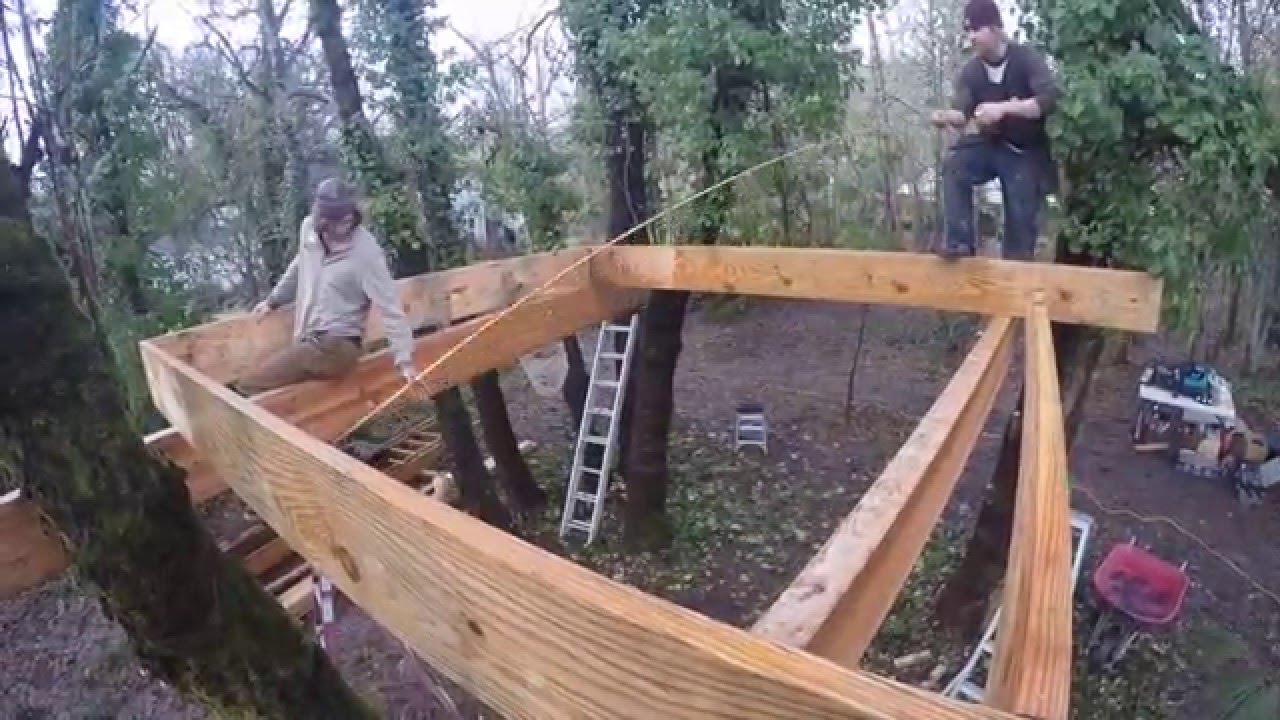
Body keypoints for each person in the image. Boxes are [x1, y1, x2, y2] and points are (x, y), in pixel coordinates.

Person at [236, 177, 416, 396]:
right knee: (284, 387)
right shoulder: (309, 231)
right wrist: (273, 300)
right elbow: (300, 265)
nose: (345, 225)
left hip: (339, 344)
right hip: (308, 337)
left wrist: (405, 362)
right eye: (338, 221)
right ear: (324, 219)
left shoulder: (366, 252)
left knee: (249, 385)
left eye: (349, 218)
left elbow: (390, 307)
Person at [931, 0, 1059, 260]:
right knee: (955, 165)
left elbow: (1046, 102)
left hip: (1025, 152)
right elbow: (963, 112)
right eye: (968, 31)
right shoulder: (972, 71)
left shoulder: (1026, 59)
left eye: (976, 30)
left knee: (1019, 234)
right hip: (990, 146)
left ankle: (1017, 266)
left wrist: (1003, 109)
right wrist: (947, 117)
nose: (971, 37)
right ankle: (959, 243)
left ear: (995, 29)